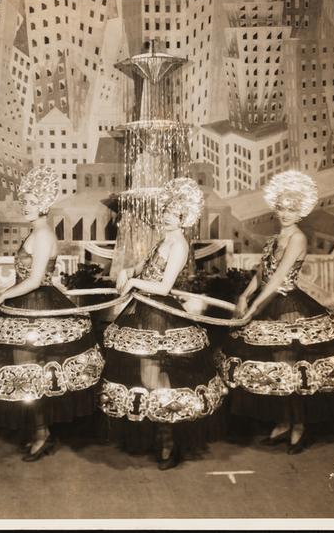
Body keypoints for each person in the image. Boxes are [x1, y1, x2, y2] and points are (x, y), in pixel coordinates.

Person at [216, 170, 334, 454]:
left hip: (289, 305)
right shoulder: (274, 239)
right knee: (277, 368)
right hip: (270, 302)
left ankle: (299, 425)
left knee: (293, 368)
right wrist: (244, 295)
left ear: (301, 212)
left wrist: (254, 306)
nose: (285, 214)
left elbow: (278, 280)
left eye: (291, 209)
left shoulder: (298, 238)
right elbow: (263, 273)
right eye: (282, 208)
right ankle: (283, 422)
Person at [0, 166, 104, 461]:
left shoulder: (42, 235)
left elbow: (36, 279)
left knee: (30, 372)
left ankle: (42, 433)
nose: (24, 206)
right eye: (24, 201)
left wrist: (3, 295)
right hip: (25, 303)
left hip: (37, 304)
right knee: (24, 371)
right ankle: (38, 430)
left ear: (43, 205)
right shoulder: (35, 232)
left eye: (30, 202)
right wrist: (4, 295)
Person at [99, 178, 227, 470]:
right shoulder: (164, 239)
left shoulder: (179, 244)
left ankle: (169, 435)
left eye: (174, 213)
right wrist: (129, 271)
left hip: (158, 313)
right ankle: (163, 429)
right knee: (147, 376)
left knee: (151, 376)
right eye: (166, 210)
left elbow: (165, 286)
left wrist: (133, 282)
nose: (167, 216)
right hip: (142, 309)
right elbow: (146, 268)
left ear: (184, 218)